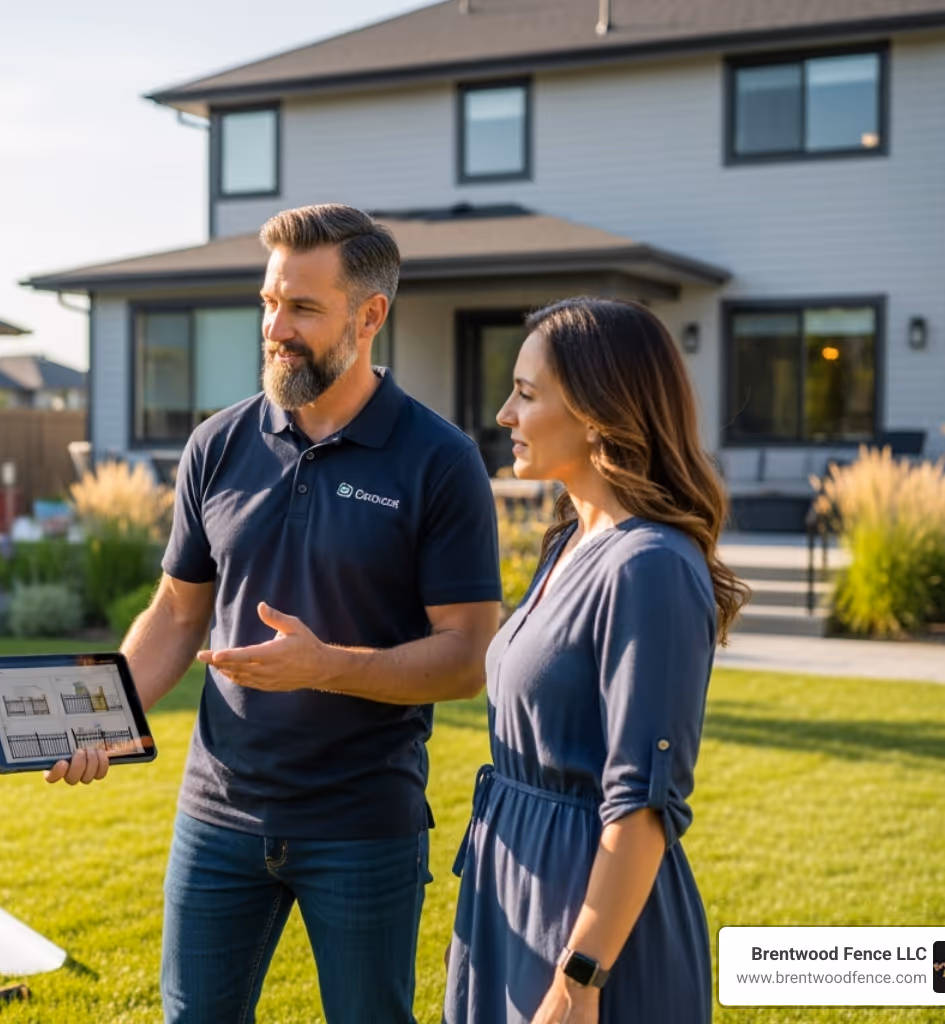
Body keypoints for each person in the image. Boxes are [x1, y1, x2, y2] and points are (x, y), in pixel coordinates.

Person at [46, 203, 502, 1024]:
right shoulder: (218, 444)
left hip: (362, 823)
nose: (275, 328)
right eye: (268, 302)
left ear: (369, 316)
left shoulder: (439, 460)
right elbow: (176, 615)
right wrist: (99, 719)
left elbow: (468, 657)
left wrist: (326, 667)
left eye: (302, 308)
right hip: (217, 814)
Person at [444, 297, 748, 1024]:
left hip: (587, 923)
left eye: (526, 393)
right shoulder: (568, 542)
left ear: (595, 413)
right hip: (512, 887)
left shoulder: (650, 565)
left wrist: (579, 977)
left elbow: (642, 803)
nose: (504, 415)